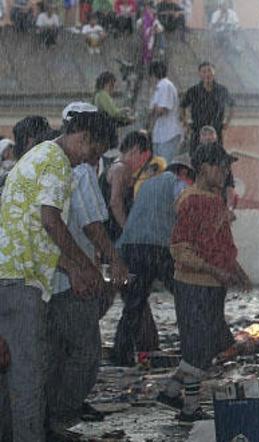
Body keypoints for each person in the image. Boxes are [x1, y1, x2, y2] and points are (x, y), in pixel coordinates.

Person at [0, 110, 113, 441]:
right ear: (82, 137)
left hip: (9, 273)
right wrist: (82, 265)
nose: (89, 163)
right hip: (21, 281)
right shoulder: (58, 162)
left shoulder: (38, 156)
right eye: (92, 154)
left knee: (11, 372)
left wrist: (70, 268)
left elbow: (35, 229)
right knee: (29, 377)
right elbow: (51, 220)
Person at [46, 104, 130, 438]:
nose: (92, 156)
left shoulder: (55, 163)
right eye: (95, 147)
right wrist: (106, 263)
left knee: (56, 353)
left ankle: (49, 419)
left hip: (56, 275)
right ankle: (58, 419)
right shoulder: (76, 170)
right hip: (67, 279)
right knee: (84, 353)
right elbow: (91, 224)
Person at [156, 142, 250, 422]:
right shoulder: (193, 200)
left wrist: (237, 271)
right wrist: (215, 270)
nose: (225, 173)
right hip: (194, 285)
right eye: (221, 167)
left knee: (204, 347)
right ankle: (188, 408)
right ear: (205, 168)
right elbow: (179, 248)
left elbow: (222, 244)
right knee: (199, 349)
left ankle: (172, 393)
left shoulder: (213, 200)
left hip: (211, 286)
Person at [112, 154, 194, 366]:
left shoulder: (148, 185)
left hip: (131, 247)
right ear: (183, 172)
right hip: (156, 247)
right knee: (186, 294)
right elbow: (185, 207)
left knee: (134, 304)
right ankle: (194, 347)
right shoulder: (176, 183)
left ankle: (121, 354)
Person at [100, 131, 153, 242]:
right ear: (135, 151)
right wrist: (127, 229)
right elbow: (115, 202)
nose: (142, 164)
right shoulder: (120, 169)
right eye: (143, 158)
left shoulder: (123, 167)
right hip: (112, 229)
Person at [180, 62, 235, 151]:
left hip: (216, 129)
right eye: (204, 71)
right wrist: (185, 123)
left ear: (214, 72)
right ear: (200, 74)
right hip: (198, 129)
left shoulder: (221, 90)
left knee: (216, 156)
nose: (207, 74)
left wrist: (227, 122)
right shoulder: (193, 91)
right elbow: (182, 106)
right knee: (197, 156)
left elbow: (232, 105)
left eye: (209, 71)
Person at [148, 61, 182, 163]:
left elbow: (162, 109)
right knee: (158, 167)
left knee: (164, 166)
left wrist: (153, 110)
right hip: (161, 134)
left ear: (153, 74)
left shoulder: (165, 85)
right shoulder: (160, 87)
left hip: (168, 134)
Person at [198, 125, 236, 208]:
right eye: (205, 135)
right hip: (204, 192)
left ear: (215, 137)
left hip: (218, 192)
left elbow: (228, 173)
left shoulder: (220, 151)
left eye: (210, 135)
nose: (208, 137)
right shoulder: (199, 152)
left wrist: (230, 187)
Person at [137, 1, 163, 67]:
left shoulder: (155, 20)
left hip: (152, 40)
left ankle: (149, 61)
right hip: (143, 40)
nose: (150, 11)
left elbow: (161, 29)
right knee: (144, 53)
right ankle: (144, 62)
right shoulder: (143, 19)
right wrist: (143, 29)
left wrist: (154, 30)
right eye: (148, 9)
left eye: (151, 10)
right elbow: (138, 25)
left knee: (150, 53)